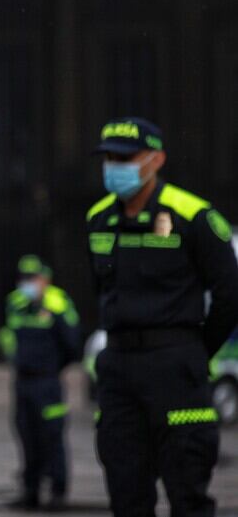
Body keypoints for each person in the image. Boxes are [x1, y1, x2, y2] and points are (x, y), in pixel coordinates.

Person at [87, 117, 238, 516]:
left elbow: (230, 294)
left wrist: (193, 350)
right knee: (126, 492)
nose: (114, 167)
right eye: (108, 158)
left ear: (156, 160)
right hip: (119, 371)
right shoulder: (98, 220)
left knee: (188, 492)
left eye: (125, 158)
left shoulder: (195, 217)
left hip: (175, 369)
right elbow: (101, 292)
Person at [0, 255, 80, 511]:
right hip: (23, 382)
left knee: (52, 436)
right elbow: (8, 336)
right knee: (26, 435)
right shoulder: (15, 303)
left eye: (33, 278)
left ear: (45, 278)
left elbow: (72, 345)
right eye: (24, 278)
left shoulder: (58, 303)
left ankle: (58, 491)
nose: (28, 283)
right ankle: (30, 491)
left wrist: (52, 368)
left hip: (48, 383)